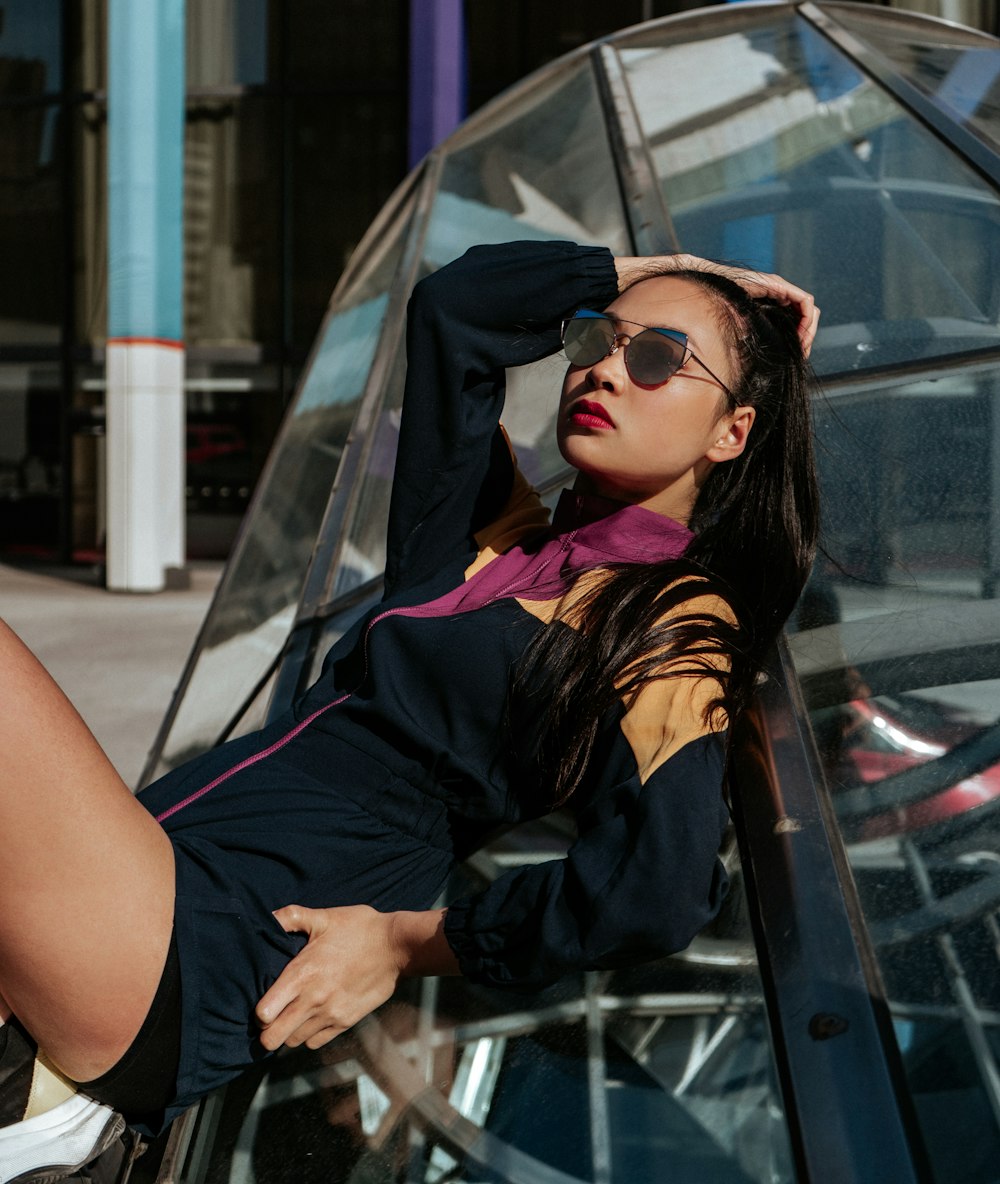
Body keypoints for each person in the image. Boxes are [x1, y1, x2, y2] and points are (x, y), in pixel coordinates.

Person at [0, 239, 819, 1179]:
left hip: (209, 953)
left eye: (657, 358)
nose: (603, 368)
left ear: (733, 431)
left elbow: (656, 888)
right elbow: (453, 310)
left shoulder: (676, 620)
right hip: (154, 881)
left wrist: (403, 944)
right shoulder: (492, 536)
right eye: (597, 339)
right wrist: (654, 274)